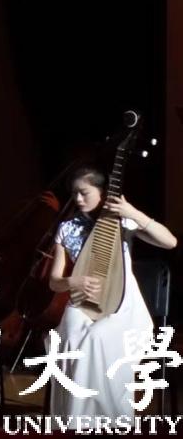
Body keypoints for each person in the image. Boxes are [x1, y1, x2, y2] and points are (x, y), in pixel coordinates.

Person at [46, 163, 177, 417]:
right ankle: (75, 418)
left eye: (84, 192)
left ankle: (111, 417)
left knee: (97, 338)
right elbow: (54, 281)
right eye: (74, 193)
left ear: (103, 193)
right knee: (70, 339)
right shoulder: (67, 228)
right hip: (81, 302)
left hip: (123, 307)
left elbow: (170, 242)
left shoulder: (121, 221)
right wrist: (73, 282)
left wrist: (133, 213)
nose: (78, 199)